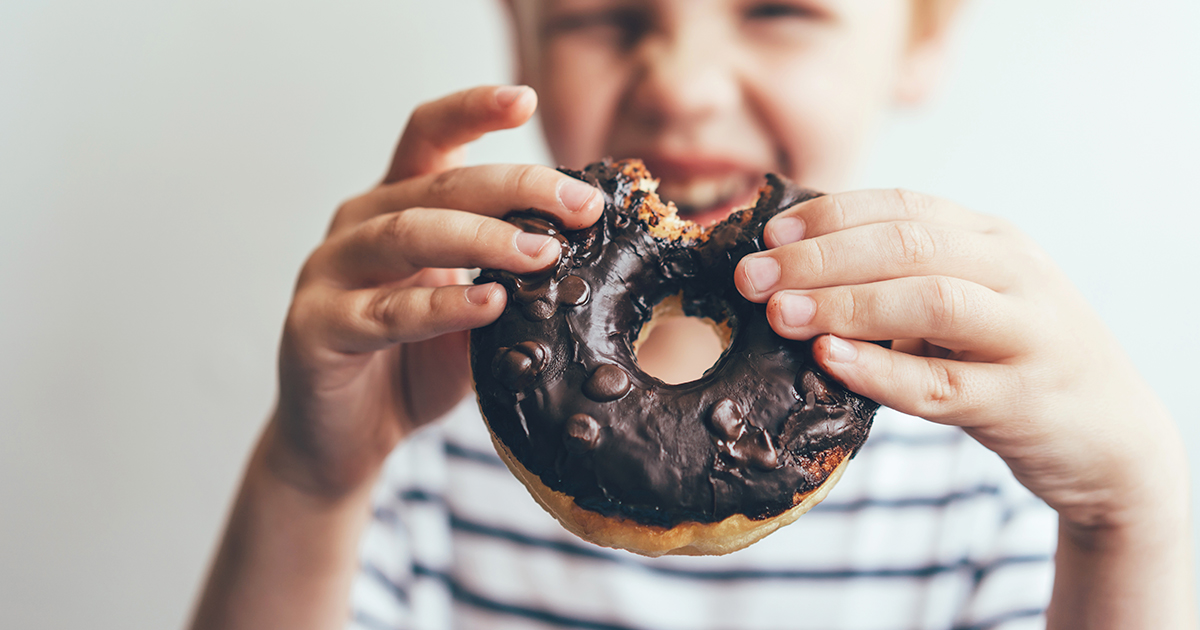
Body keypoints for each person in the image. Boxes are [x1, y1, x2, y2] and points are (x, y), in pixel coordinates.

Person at [189, 0, 1196, 628]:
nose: (682, 85)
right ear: (520, 21)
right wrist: (313, 481)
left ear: (920, 31)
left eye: (778, 8)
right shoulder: (412, 453)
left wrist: (1127, 520)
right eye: (609, 15)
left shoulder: (993, 477)